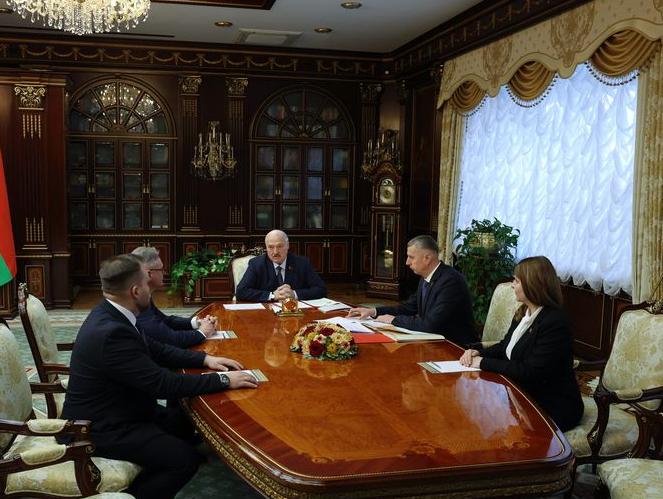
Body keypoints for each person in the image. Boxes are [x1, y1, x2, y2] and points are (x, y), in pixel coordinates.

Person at [60, 254, 258, 499]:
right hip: (100, 428)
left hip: (126, 407)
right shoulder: (112, 332)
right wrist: (225, 380)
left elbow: (157, 349)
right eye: (146, 282)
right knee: (184, 460)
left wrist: (205, 360)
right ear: (135, 291)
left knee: (186, 422)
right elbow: (162, 384)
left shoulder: (112, 312)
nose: (150, 287)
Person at [459, 255, 583, 432]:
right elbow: (505, 346)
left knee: (489, 424)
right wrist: (477, 352)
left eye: (516, 281)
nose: (512, 285)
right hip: (522, 393)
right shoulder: (524, 312)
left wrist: (483, 363)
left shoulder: (555, 322)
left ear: (533, 284)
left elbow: (530, 372)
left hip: (550, 405)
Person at [347, 235, 476, 346]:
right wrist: (373, 311)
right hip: (434, 341)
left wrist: (393, 320)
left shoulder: (451, 281)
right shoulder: (427, 277)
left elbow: (430, 324)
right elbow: (407, 308)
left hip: (456, 348)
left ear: (427, 258)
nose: (407, 262)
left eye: (411, 257)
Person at [132, 246, 216, 348]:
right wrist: (202, 332)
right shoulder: (136, 300)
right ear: (149, 273)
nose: (164, 272)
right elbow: (170, 339)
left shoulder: (144, 294)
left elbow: (165, 320)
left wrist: (198, 323)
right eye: (161, 269)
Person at [236, 229, 326, 302]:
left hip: (295, 312)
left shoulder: (302, 263)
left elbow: (321, 289)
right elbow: (241, 291)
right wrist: (272, 295)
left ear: (287, 246)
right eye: (271, 247)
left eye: (279, 246)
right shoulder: (256, 264)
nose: (275, 252)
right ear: (266, 248)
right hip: (266, 313)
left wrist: (294, 294)